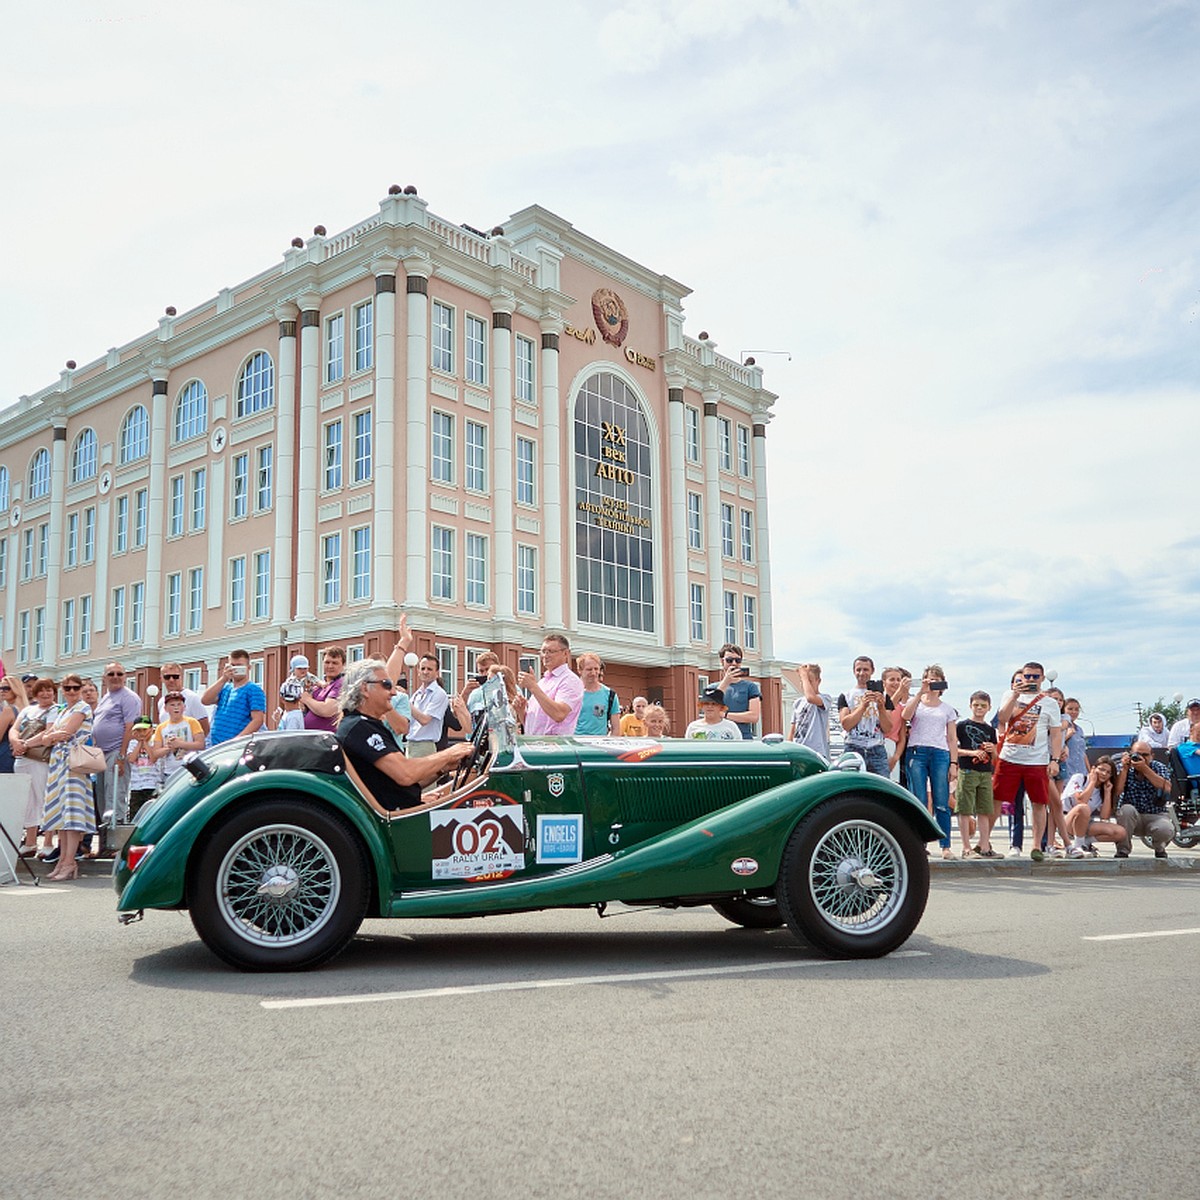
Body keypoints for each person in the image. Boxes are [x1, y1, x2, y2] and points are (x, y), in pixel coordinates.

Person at [335, 660, 473, 811]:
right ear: (365, 689)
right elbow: (406, 774)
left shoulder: (363, 725)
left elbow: (394, 783)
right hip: (396, 820)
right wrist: (449, 754)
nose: (394, 692)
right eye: (387, 684)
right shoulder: (359, 728)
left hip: (401, 808)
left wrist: (444, 767)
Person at [994, 662, 1062, 863]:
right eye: (1028, 676)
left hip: (1037, 761)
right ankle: (1014, 845)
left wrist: (1054, 759)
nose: (1031, 681)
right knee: (1013, 804)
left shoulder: (1049, 703)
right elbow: (1002, 719)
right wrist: (1015, 695)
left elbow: (1056, 734)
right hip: (1012, 759)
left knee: (1039, 804)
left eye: (1035, 677)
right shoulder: (1010, 695)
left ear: (1042, 678)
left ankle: (1036, 846)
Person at [37, 674, 95, 882]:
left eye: (75, 688)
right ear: (62, 689)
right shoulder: (63, 710)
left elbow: (67, 732)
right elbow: (50, 734)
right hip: (58, 763)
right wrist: (46, 737)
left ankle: (70, 862)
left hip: (73, 763)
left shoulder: (82, 708)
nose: (71, 691)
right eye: (67, 688)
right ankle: (63, 860)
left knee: (72, 814)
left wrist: (50, 736)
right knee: (60, 814)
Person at [901, 665, 959, 859]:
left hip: (940, 753)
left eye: (936, 679)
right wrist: (919, 693)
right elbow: (905, 716)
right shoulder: (916, 701)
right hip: (917, 751)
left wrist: (954, 763)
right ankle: (920, 844)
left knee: (942, 800)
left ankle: (945, 845)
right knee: (919, 800)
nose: (932, 682)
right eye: (929, 678)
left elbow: (952, 738)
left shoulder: (948, 709)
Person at [91, 662, 141, 831]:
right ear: (104, 678)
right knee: (102, 799)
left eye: (119, 674)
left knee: (114, 796)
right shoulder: (106, 697)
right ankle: (105, 841)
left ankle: (115, 841)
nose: (115, 677)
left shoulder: (129, 697)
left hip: (116, 752)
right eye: (111, 674)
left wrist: (121, 756)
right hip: (100, 754)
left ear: (125, 677)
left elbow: (129, 727)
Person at [10, 677, 51, 856]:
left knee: (44, 799)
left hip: (40, 760)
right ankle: (30, 841)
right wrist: (15, 741)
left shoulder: (56, 710)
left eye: (48, 690)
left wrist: (25, 744)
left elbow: (48, 732)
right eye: (41, 690)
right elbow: (14, 728)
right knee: (27, 802)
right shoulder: (27, 710)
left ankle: (48, 842)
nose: (45, 693)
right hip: (22, 759)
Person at [956, 691, 1000, 858]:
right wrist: (971, 753)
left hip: (985, 772)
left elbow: (995, 757)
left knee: (984, 810)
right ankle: (966, 848)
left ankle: (984, 846)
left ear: (989, 708)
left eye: (983, 705)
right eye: (976, 705)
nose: (979, 708)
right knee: (965, 809)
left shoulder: (990, 730)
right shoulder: (961, 726)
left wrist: (992, 750)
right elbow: (953, 748)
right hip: (967, 770)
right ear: (970, 706)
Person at [1114, 739, 1174, 859]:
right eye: (1137, 754)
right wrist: (1124, 770)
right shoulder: (1124, 767)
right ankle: (1123, 851)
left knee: (1166, 829)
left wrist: (1145, 769)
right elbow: (1117, 791)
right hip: (1132, 816)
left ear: (1152, 756)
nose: (1140, 757)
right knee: (1125, 810)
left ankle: (1159, 848)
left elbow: (1167, 787)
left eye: (1145, 755)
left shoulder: (1158, 767)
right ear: (1130, 754)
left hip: (1156, 814)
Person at [837, 656, 895, 776]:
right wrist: (862, 706)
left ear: (872, 671)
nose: (861, 673)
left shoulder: (884, 697)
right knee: (851, 787)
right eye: (858, 670)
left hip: (876, 749)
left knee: (881, 788)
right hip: (853, 747)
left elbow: (888, 728)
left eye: (865, 669)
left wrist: (881, 707)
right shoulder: (846, 696)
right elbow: (846, 725)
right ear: (854, 671)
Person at [518, 634, 584, 736]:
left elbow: (559, 714)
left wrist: (533, 687)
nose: (546, 655)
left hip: (555, 747)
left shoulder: (570, 680)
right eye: (543, 651)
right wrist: (521, 711)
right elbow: (532, 724)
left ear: (566, 653)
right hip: (535, 744)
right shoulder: (543, 682)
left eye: (551, 651)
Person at [201, 650, 266, 745]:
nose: (235, 668)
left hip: (235, 747)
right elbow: (205, 700)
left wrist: (237, 740)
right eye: (232, 665)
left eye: (239, 665)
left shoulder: (253, 689)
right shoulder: (225, 688)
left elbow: (258, 720)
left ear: (248, 667)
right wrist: (224, 678)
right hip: (216, 745)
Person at [1062, 757, 1123, 857]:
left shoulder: (1102, 790)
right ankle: (1078, 846)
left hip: (1085, 823)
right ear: (1093, 769)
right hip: (1067, 820)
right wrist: (1092, 782)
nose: (1104, 774)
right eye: (1102, 769)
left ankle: (1085, 842)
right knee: (1083, 808)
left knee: (1120, 832)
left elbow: (1104, 817)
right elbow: (1081, 801)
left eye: (1108, 772)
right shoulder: (1079, 778)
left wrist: (1107, 793)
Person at [150, 692, 206, 784]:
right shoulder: (161, 728)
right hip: (170, 771)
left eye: (179, 704)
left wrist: (181, 744)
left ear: (184, 707)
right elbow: (155, 753)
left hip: (189, 769)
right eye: (172, 705)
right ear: (166, 709)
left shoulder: (192, 722)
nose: (176, 707)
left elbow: (201, 744)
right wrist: (168, 748)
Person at [715, 644, 762, 739]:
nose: (734, 663)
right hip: (718, 738)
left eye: (738, 660)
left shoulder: (750, 687)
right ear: (722, 661)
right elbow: (711, 706)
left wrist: (725, 715)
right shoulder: (713, 687)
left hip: (743, 738)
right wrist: (726, 682)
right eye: (729, 660)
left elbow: (754, 716)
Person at [408, 654, 449, 758]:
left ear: (437, 673)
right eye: (423, 668)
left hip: (425, 746)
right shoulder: (417, 694)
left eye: (429, 669)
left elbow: (425, 720)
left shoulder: (439, 693)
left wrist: (405, 702)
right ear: (418, 671)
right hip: (410, 744)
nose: (425, 672)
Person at [155, 663, 211, 740]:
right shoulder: (161, 702)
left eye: (175, 677)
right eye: (167, 677)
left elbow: (205, 729)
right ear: (161, 679)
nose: (171, 680)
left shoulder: (192, 698)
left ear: (181, 677)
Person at [787, 663, 832, 758]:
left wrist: (804, 676)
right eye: (803, 681)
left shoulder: (825, 698)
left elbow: (810, 698)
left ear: (818, 681)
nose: (805, 684)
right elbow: (793, 730)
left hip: (816, 751)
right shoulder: (798, 702)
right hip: (798, 749)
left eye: (809, 681)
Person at [297, 647, 346, 733]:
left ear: (343, 665)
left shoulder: (341, 683)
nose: (330, 666)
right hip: (309, 738)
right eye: (327, 662)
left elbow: (327, 710)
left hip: (325, 741)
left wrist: (307, 699)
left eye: (335, 663)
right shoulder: (318, 686)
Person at [124, 716, 161, 821]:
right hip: (136, 785)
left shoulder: (155, 742)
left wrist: (145, 743)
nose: (142, 733)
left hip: (152, 784)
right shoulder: (133, 744)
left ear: (151, 729)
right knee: (135, 814)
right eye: (138, 730)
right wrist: (140, 743)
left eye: (144, 730)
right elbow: (131, 759)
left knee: (152, 814)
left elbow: (153, 758)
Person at [575, 653, 621, 735]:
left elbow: (616, 728)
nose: (593, 673)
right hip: (575, 743)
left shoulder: (610, 695)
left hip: (598, 744)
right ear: (580, 670)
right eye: (589, 669)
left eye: (596, 669)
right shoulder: (571, 693)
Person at [882, 667, 911, 782]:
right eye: (892, 679)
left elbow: (902, 736)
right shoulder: (878, 702)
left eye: (899, 680)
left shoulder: (901, 708)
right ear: (884, 683)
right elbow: (885, 712)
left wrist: (895, 757)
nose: (896, 683)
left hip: (892, 746)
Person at [0, 675, 25, 774]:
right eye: (1, 688)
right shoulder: (26, 709)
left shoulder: (8, 710)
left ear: (15, 689)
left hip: (4, 755)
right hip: (20, 756)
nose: (2, 691)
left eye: (6, 688)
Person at [1060, 698, 1088, 782]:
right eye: (1070, 709)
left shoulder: (1079, 729)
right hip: (1067, 772)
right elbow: (1054, 745)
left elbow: (1083, 753)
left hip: (1081, 772)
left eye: (1076, 709)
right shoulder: (1060, 727)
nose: (1073, 712)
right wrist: (1067, 736)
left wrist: (1089, 771)